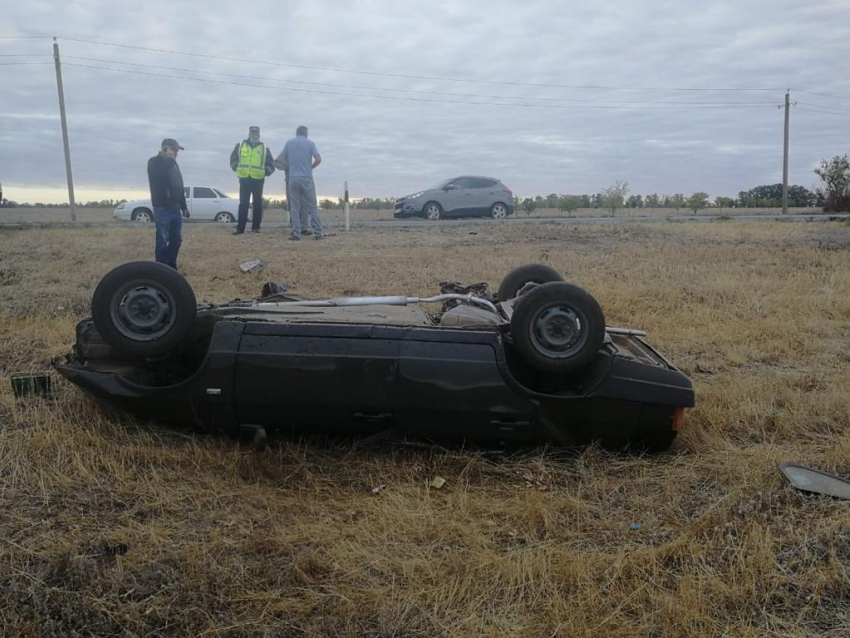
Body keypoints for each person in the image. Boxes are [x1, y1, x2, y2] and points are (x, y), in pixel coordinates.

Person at [275, 125, 333, 240]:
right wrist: (311, 167)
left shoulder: (289, 143)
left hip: (293, 178)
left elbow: (280, 158)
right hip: (306, 178)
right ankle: (318, 232)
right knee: (312, 206)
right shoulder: (310, 143)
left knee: (295, 208)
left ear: (296, 133)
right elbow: (318, 159)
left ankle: (296, 233)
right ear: (306, 133)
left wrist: (289, 167)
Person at [147, 138, 190, 269]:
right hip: (162, 208)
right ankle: (161, 269)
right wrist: (169, 160)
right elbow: (159, 176)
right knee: (162, 240)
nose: (176, 154)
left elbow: (178, 186)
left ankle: (171, 267)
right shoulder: (154, 162)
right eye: (174, 151)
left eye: (177, 152)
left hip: (175, 208)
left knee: (176, 240)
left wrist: (184, 207)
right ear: (165, 149)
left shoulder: (173, 164)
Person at [230, 125, 275, 234]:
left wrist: (266, 172)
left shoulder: (264, 148)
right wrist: (236, 167)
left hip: (258, 179)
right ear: (249, 134)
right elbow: (233, 159)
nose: (254, 135)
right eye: (252, 133)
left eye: (256, 133)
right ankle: (240, 228)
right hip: (244, 178)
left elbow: (271, 164)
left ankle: (255, 227)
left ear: (259, 135)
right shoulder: (240, 145)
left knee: (257, 203)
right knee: (243, 203)